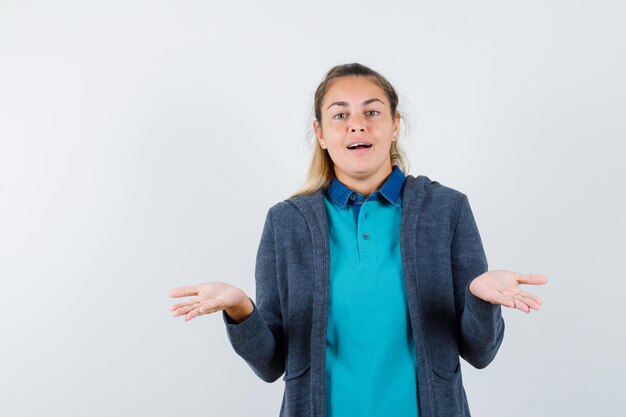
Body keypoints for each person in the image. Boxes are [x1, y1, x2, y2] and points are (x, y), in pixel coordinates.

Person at [169, 63, 548, 417]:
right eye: (340, 115)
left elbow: (480, 352)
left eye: (371, 112)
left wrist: (481, 299)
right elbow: (271, 364)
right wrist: (240, 309)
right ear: (320, 132)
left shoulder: (447, 209)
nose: (357, 126)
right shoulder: (285, 222)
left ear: (395, 124)